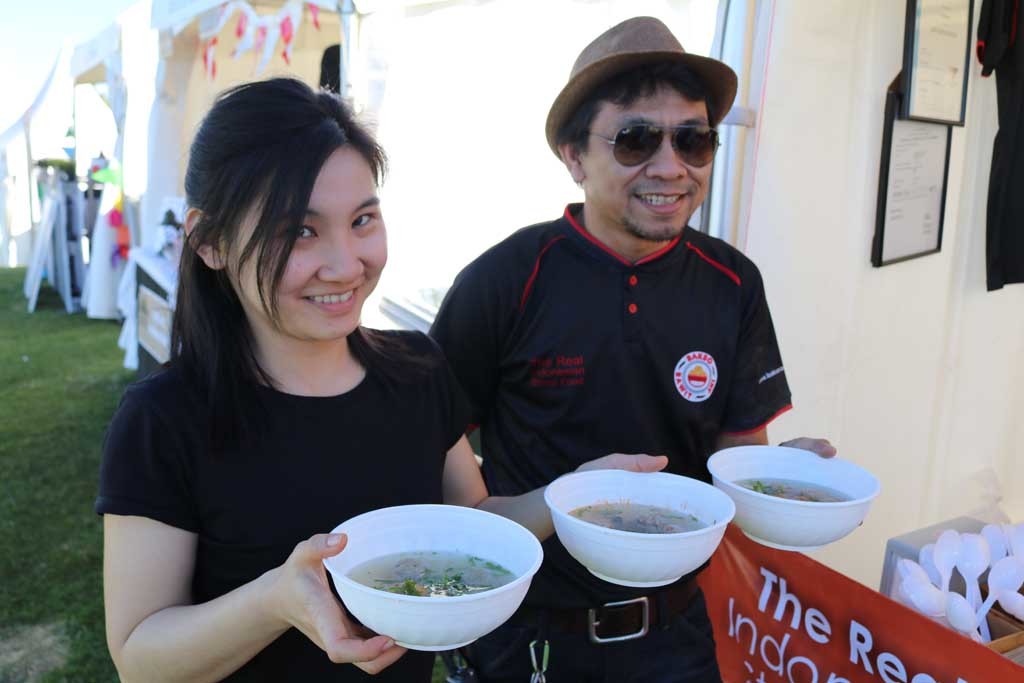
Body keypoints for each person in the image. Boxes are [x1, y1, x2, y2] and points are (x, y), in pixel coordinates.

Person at [95, 77, 667, 683]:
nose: (346, 264)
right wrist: (274, 601)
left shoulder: (417, 372)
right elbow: (139, 656)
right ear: (210, 242)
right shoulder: (164, 419)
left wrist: (567, 496)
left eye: (363, 219)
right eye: (300, 231)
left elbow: (473, 520)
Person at [429, 16, 835, 682]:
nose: (671, 166)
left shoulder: (733, 282)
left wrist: (784, 483)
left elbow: (737, 457)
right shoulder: (504, 280)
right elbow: (438, 461)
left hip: (675, 635)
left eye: (694, 140)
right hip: (530, 639)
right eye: (636, 139)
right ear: (573, 155)